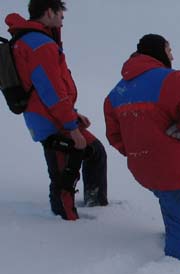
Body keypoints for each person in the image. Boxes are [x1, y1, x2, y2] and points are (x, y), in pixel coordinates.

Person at [104, 34, 180, 262]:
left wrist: (135, 151)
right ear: (159, 51)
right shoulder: (169, 79)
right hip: (172, 166)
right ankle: (179, 263)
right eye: (169, 50)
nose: (172, 56)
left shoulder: (116, 93)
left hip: (142, 167)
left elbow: (113, 135)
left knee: (171, 200)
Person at [5, 0, 108, 221]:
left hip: (49, 115)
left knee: (95, 152)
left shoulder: (31, 40)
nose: (63, 17)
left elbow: (46, 88)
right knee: (63, 176)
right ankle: (64, 223)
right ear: (49, 12)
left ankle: (95, 206)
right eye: (61, 12)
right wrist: (72, 127)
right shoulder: (39, 44)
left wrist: (73, 115)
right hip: (52, 120)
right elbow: (51, 90)